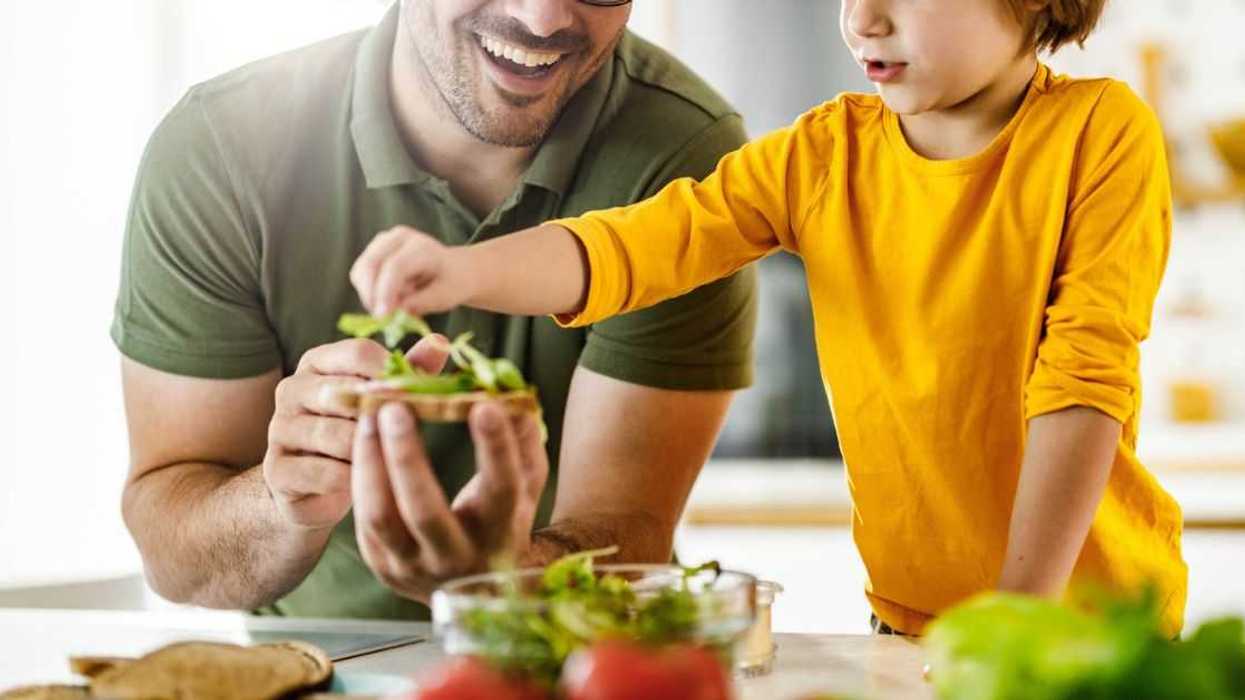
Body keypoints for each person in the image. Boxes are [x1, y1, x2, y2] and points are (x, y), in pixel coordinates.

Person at [351, 0, 1188, 636]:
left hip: (1084, 624)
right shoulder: (825, 154)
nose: (863, 20)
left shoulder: (1098, 131)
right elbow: (642, 244)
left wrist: (1020, 622)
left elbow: (1083, 380)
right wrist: (461, 269)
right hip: (907, 623)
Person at [113, 0, 757, 619]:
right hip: (320, 666)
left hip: (580, 664)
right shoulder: (222, 149)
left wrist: (514, 576)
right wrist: (284, 501)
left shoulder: (689, 164)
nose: (543, 18)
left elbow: (629, 530)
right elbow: (175, 558)